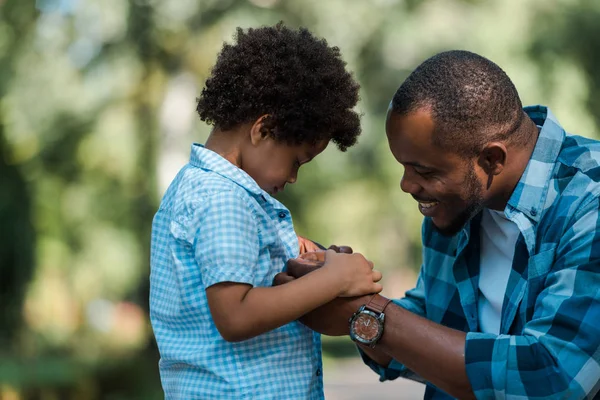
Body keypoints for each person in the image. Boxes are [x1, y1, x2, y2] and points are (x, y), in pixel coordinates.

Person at [277, 50, 600, 399]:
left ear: (491, 159)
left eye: (425, 171)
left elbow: (554, 378)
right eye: (404, 166)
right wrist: (344, 292)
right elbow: (431, 329)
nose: (407, 185)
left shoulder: (589, 202)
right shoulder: (455, 206)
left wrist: (365, 314)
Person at [149, 23, 383, 400]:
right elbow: (236, 315)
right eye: (297, 161)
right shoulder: (224, 199)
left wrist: (303, 254)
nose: (293, 178)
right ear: (264, 129)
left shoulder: (198, 187)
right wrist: (333, 281)